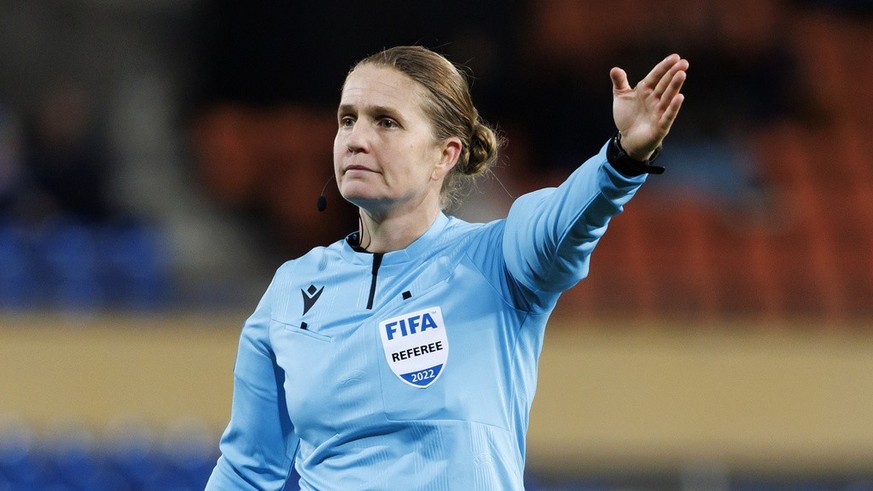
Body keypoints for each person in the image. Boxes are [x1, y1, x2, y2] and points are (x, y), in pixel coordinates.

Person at [205, 45, 687, 490]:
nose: (356, 139)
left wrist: (621, 160)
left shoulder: (498, 261)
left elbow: (563, 222)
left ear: (445, 154)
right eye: (347, 119)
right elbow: (247, 469)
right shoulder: (293, 288)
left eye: (386, 122)